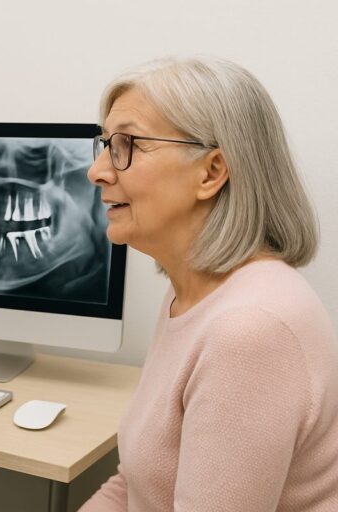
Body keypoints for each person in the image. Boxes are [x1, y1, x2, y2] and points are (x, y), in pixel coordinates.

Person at [80, 57, 338, 511]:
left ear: (212, 172)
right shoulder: (193, 293)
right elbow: (134, 486)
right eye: (105, 145)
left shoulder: (249, 330)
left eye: (126, 145)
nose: (97, 170)